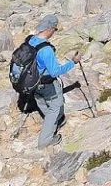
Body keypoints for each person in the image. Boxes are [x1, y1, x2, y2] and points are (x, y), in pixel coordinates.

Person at [27, 14, 77, 148]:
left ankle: (54, 121)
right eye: (55, 29)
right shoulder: (46, 50)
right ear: (49, 29)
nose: (54, 32)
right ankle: (45, 140)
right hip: (46, 84)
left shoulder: (30, 40)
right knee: (55, 108)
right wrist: (73, 62)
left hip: (31, 83)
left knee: (42, 103)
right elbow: (55, 71)